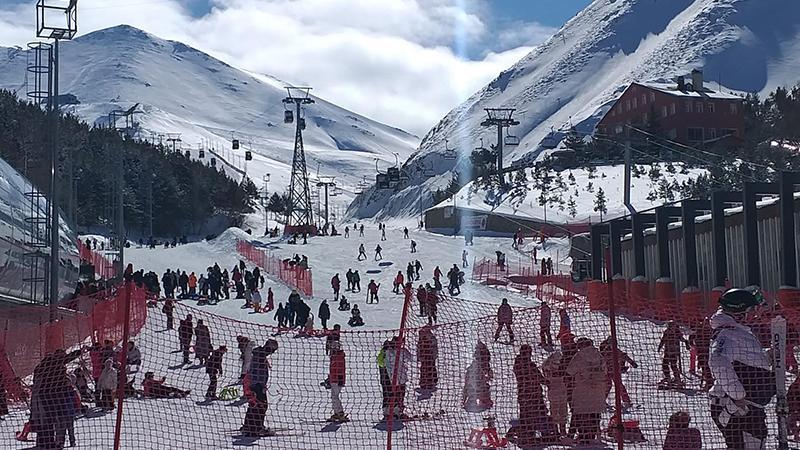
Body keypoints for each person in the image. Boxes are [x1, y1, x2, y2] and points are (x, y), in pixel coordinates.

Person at [709, 288, 774, 449]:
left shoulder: (738, 332)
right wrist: (738, 395)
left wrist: (767, 357)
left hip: (746, 409)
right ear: (739, 311)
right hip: (737, 409)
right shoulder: (728, 333)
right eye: (751, 310)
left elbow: (747, 361)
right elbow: (718, 361)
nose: (754, 314)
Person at [512, 344, 557, 446]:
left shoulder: (522, 364)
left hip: (528, 395)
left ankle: (531, 435)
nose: (529, 355)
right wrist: (548, 382)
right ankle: (529, 436)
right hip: (530, 395)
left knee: (529, 415)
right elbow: (538, 377)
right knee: (532, 415)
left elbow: (538, 377)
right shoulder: (525, 365)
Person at [566, 338, 608, 445]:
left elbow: (569, 372)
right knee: (595, 413)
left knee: (578, 413)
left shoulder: (579, 356)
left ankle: (573, 436)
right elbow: (605, 371)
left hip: (582, 389)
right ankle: (591, 436)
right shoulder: (599, 356)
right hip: (598, 390)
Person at [243, 339, 279, 437]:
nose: (272, 352)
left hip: (254, 383)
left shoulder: (259, 354)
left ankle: (248, 426)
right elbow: (257, 372)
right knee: (261, 406)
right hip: (257, 385)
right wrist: (260, 385)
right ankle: (257, 428)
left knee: (254, 404)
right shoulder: (260, 356)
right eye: (273, 350)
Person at [599, 337, 637, 408]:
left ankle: (626, 401)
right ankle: (602, 400)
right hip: (607, 371)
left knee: (618, 385)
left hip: (614, 371)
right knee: (608, 385)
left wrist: (631, 362)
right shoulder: (603, 351)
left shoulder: (614, 350)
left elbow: (624, 356)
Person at [383, 338, 411, 420]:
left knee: (389, 394)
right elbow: (410, 358)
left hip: (389, 378)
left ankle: (388, 411)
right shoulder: (401, 352)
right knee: (399, 394)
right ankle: (396, 411)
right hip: (399, 378)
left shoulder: (386, 352)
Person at [542, 351, 567, 437]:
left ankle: (560, 429)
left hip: (557, 390)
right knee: (558, 410)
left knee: (559, 410)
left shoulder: (547, 366)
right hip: (559, 390)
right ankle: (558, 429)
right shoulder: (561, 366)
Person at [658, 321, 689, 386]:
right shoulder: (667, 332)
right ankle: (668, 377)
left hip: (674, 352)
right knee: (665, 364)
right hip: (667, 351)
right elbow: (663, 340)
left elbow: (682, 339)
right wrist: (660, 346)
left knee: (673, 365)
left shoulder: (677, 332)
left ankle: (677, 379)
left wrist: (686, 343)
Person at [689, 317, 713, 390]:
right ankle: (709, 382)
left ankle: (710, 382)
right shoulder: (699, 331)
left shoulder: (710, 331)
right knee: (704, 367)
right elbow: (691, 338)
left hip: (708, 352)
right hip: (701, 352)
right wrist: (692, 344)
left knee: (707, 367)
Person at [328, 340, 348, 422]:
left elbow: (340, 369)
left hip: (337, 379)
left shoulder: (338, 356)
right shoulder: (334, 356)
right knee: (334, 396)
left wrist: (340, 379)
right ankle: (337, 412)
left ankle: (340, 412)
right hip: (334, 378)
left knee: (335, 396)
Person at [418, 324, 438, 391]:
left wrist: (434, 355)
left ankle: (431, 382)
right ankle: (424, 382)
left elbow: (434, 347)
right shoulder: (421, 339)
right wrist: (419, 356)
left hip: (430, 356)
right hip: (424, 356)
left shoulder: (431, 338)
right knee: (424, 369)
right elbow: (419, 348)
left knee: (430, 368)